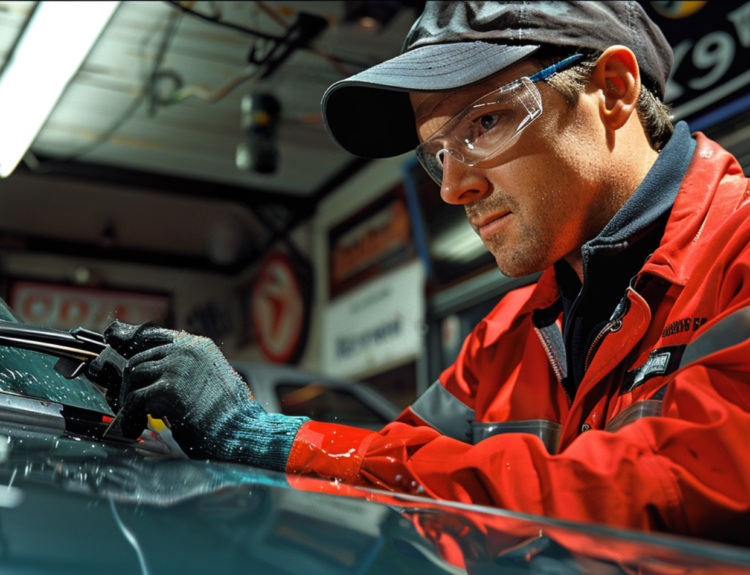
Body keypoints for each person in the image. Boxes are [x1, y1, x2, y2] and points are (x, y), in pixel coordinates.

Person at [90, 2, 750, 545]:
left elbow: (667, 488)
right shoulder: (505, 336)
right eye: (437, 152)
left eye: (485, 121)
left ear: (612, 89)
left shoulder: (737, 259)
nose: (453, 186)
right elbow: (399, 469)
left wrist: (264, 435)